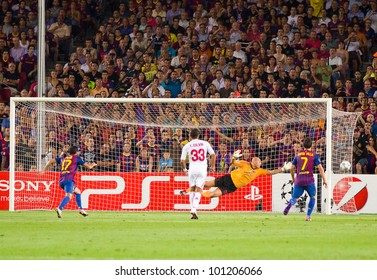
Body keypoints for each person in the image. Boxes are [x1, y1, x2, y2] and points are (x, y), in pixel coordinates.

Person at [194, 152, 290, 199]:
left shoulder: (259, 171)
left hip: (232, 186)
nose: (257, 165)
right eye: (256, 164)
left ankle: (199, 192)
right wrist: (234, 157)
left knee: (213, 195)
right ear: (252, 163)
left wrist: (283, 169)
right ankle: (193, 186)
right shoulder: (244, 163)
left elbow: (271, 172)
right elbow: (232, 162)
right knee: (207, 184)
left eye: (259, 164)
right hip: (227, 178)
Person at [42, 146, 97, 218]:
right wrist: (93, 164)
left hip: (61, 181)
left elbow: (50, 161)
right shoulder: (77, 158)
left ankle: (81, 209)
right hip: (69, 180)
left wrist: (44, 170)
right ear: (76, 152)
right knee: (68, 196)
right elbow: (89, 167)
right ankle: (60, 208)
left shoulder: (63, 158)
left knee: (78, 191)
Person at [283, 137, 327, 221]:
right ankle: (308, 216)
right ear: (311, 145)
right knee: (313, 197)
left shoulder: (298, 155)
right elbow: (320, 168)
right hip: (309, 180)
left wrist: (293, 178)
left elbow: (292, 168)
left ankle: (288, 207)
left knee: (295, 198)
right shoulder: (314, 155)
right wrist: (324, 180)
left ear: (303, 145)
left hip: (299, 179)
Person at [180, 128, 215, 219]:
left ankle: (193, 209)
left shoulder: (187, 145)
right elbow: (213, 154)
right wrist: (213, 166)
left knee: (192, 189)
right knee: (199, 190)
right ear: (199, 135)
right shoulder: (205, 143)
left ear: (190, 136)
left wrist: (184, 169)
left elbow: (182, 160)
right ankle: (194, 209)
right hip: (202, 169)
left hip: (192, 169)